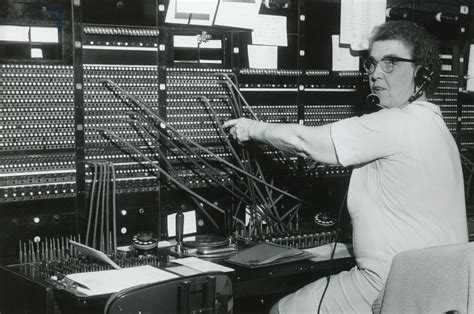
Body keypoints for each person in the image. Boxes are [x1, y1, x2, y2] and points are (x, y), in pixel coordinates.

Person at [223, 20, 468, 313]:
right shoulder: (435, 125)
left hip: (390, 284)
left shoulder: (395, 123)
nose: (376, 74)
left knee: (281, 311)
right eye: (372, 64)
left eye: (391, 63)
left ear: (422, 74)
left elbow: (305, 142)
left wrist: (251, 128)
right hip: (444, 288)